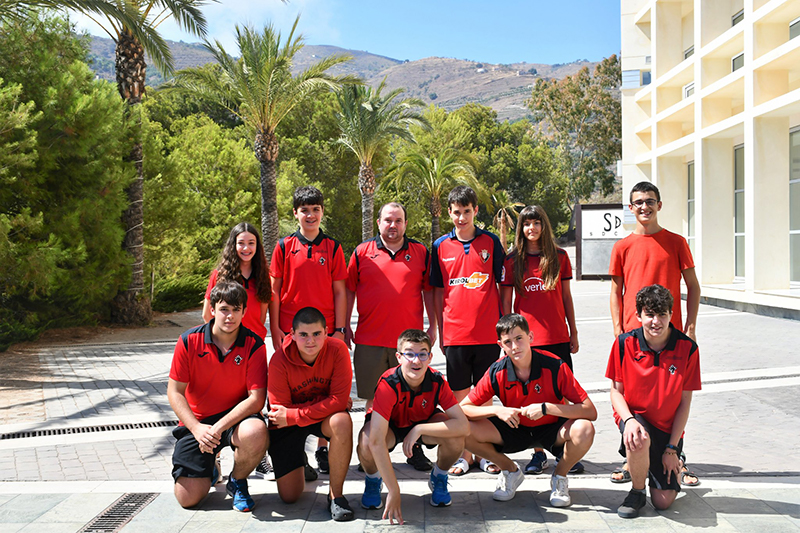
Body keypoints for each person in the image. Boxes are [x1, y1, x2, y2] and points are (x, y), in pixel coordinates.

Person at [609, 181, 701, 486]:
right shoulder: (622, 247)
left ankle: (677, 456)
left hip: (668, 337)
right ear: (630, 208)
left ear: (659, 205)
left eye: (650, 201)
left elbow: (693, 286)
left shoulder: (676, 242)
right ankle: (631, 458)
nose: (644, 207)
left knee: (672, 398)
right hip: (634, 337)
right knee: (629, 398)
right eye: (638, 202)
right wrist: (618, 329)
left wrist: (690, 326)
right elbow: (615, 292)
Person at [460, 313, 596, 505]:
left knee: (585, 429)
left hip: (552, 429)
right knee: (461, 431)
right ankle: (510, 471)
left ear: (530, 337)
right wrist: (498, 411)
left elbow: (590, 411)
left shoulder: (554, 365)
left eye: (519, 338)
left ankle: (560, 476)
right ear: (500, 345)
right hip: (515, 428)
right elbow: (463, 408)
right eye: (508, 342)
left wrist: (546, 408)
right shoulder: (497, 371)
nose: (515, 346)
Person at [346, 201, 437, 471]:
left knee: (411, 398)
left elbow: (429, 291)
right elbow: (349, 290)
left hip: (410, 344)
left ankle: (414, 450)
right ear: (378, 223)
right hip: (370, 340)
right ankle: (370, 452)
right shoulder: (362, 252)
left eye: (398, 220)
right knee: (373, 400)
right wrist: (344, 324)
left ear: (405, 223)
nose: (393, 225)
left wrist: (433, 326)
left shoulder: (420, 252)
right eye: (388, 220)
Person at [167, 281, 268, 512]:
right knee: (188, 499)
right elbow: (174, 391)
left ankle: (237, 481)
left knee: (255, 431)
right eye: (224, 309)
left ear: (244, 311)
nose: (229, 316)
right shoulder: (188, 341)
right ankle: (209, 466)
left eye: (235, 309)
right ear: (212, 309)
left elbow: (256, 399)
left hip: (236, 420)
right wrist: (196, 428)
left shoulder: (254, 345)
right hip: (199, 423)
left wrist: (218, 428)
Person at [269, 185, 347, 475]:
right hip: (291, 332)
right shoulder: (284, 247)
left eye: (315, 209)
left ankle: (323, 449)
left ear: (322, 212)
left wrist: (340, 329)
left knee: (323, 388)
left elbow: (340, 291)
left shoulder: (333, 247)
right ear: (295, 213)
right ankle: (296, 447)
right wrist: (275, 329)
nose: (310, 215)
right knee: (295, 390)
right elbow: (274, 291)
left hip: (324, 332)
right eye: (305, 210)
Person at [606, 284, 701, 518]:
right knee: (639, 437)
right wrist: (628, 420)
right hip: (636, 418)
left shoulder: (688, 348)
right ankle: (637, 491)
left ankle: (674, 462)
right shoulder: (623, 344)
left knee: (663, 502)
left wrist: (671, 448)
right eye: (649, 314)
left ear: (671, 314)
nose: (656, 321)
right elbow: (616, 392)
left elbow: (684, 403)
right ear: (638, 315)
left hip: (667, 429)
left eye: (662, 314)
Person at [500, 205, 580, 476]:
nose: (531, 228)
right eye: (526, 224)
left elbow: (566, 297)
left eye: (536, 223)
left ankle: (565, 450)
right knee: (531, 397)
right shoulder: (512, 261)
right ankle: (538, 452)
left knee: (562, 395)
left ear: (544, 225)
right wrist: (507, 342)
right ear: (520, 228)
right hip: (526, 342)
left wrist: (573, 332)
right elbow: (506, 305)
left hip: (557, 337)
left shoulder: (560, 257)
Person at [357, 329, 469, 523]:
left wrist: (419, 429)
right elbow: (376, 440)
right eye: (409, 354)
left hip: (422, 422)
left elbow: (463, 426)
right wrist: (394, 489)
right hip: (391, 426)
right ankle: (374, 479)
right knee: (367, 441)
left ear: (430, 357)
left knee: (455, 436)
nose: (416, 361)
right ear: (399, 357)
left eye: (422, 354)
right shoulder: (388, 384)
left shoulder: (437, 380)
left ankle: (439, 476)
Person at [430, 185, 505, 475]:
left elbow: (502, 284)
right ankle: (464, 455)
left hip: (487, 334)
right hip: (456, 335)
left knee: (484, 398)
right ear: (448, 213)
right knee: (460, 400)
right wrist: (439, 329)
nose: (461, 218)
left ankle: (485, 455)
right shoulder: (439, 246)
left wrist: (504, 326)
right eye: (456, 212)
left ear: (475, 211)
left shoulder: (491, 242)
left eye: (466, 211)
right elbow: (438, 292)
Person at [267, 307, 355, 522]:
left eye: (316, 334)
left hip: (302, 417)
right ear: (292, 334)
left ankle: (336, 495)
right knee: (290, 497)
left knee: (342, 421)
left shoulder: (338, 350)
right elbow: (279, 411)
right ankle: (301, 462)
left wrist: (296, 413)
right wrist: (328, 401)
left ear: (326, 332)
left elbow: (339, 402)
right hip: (288, 425)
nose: (310, 341)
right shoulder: (279, 359)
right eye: (303, 334)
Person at [202, 222, 270, 340]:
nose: (246, 248)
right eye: (241, 243)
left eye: (251, 243)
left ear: (257, 246)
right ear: (233, 245)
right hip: (227, 343)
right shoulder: (219, 276)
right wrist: (222, 339)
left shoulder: (263, 276)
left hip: (254, 342)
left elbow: (262, 317)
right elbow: (207, 314)